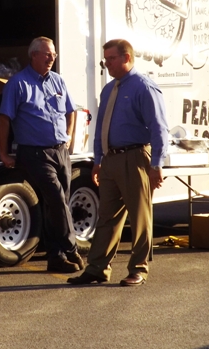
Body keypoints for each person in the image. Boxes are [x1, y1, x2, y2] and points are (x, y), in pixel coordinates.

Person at [68, 39, 168, 287]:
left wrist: (156, 165)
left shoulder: (144, 87)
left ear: (127, 58)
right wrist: (98, 160)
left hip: (135, 158)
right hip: (110, 160)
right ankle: (97, 268)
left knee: (139, 216)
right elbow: (102, 126)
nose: (107, 64)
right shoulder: (109, 89)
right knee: (107, 217)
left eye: (111, 59)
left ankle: (139, 269)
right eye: (105, 60)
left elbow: (159, 128)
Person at [0, 36, 84, 273]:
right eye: (47, 54)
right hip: (35, 153)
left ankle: (56, 258)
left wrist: (69, 136)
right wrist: (3, 153)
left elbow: (71, 111)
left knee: (58, 205)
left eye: (53, 54)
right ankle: (72, 248)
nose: (52, 58)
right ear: (33, 55)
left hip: (60, 151)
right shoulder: (18, 83)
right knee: (56, 199)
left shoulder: (58, 80)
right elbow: (4, 119)